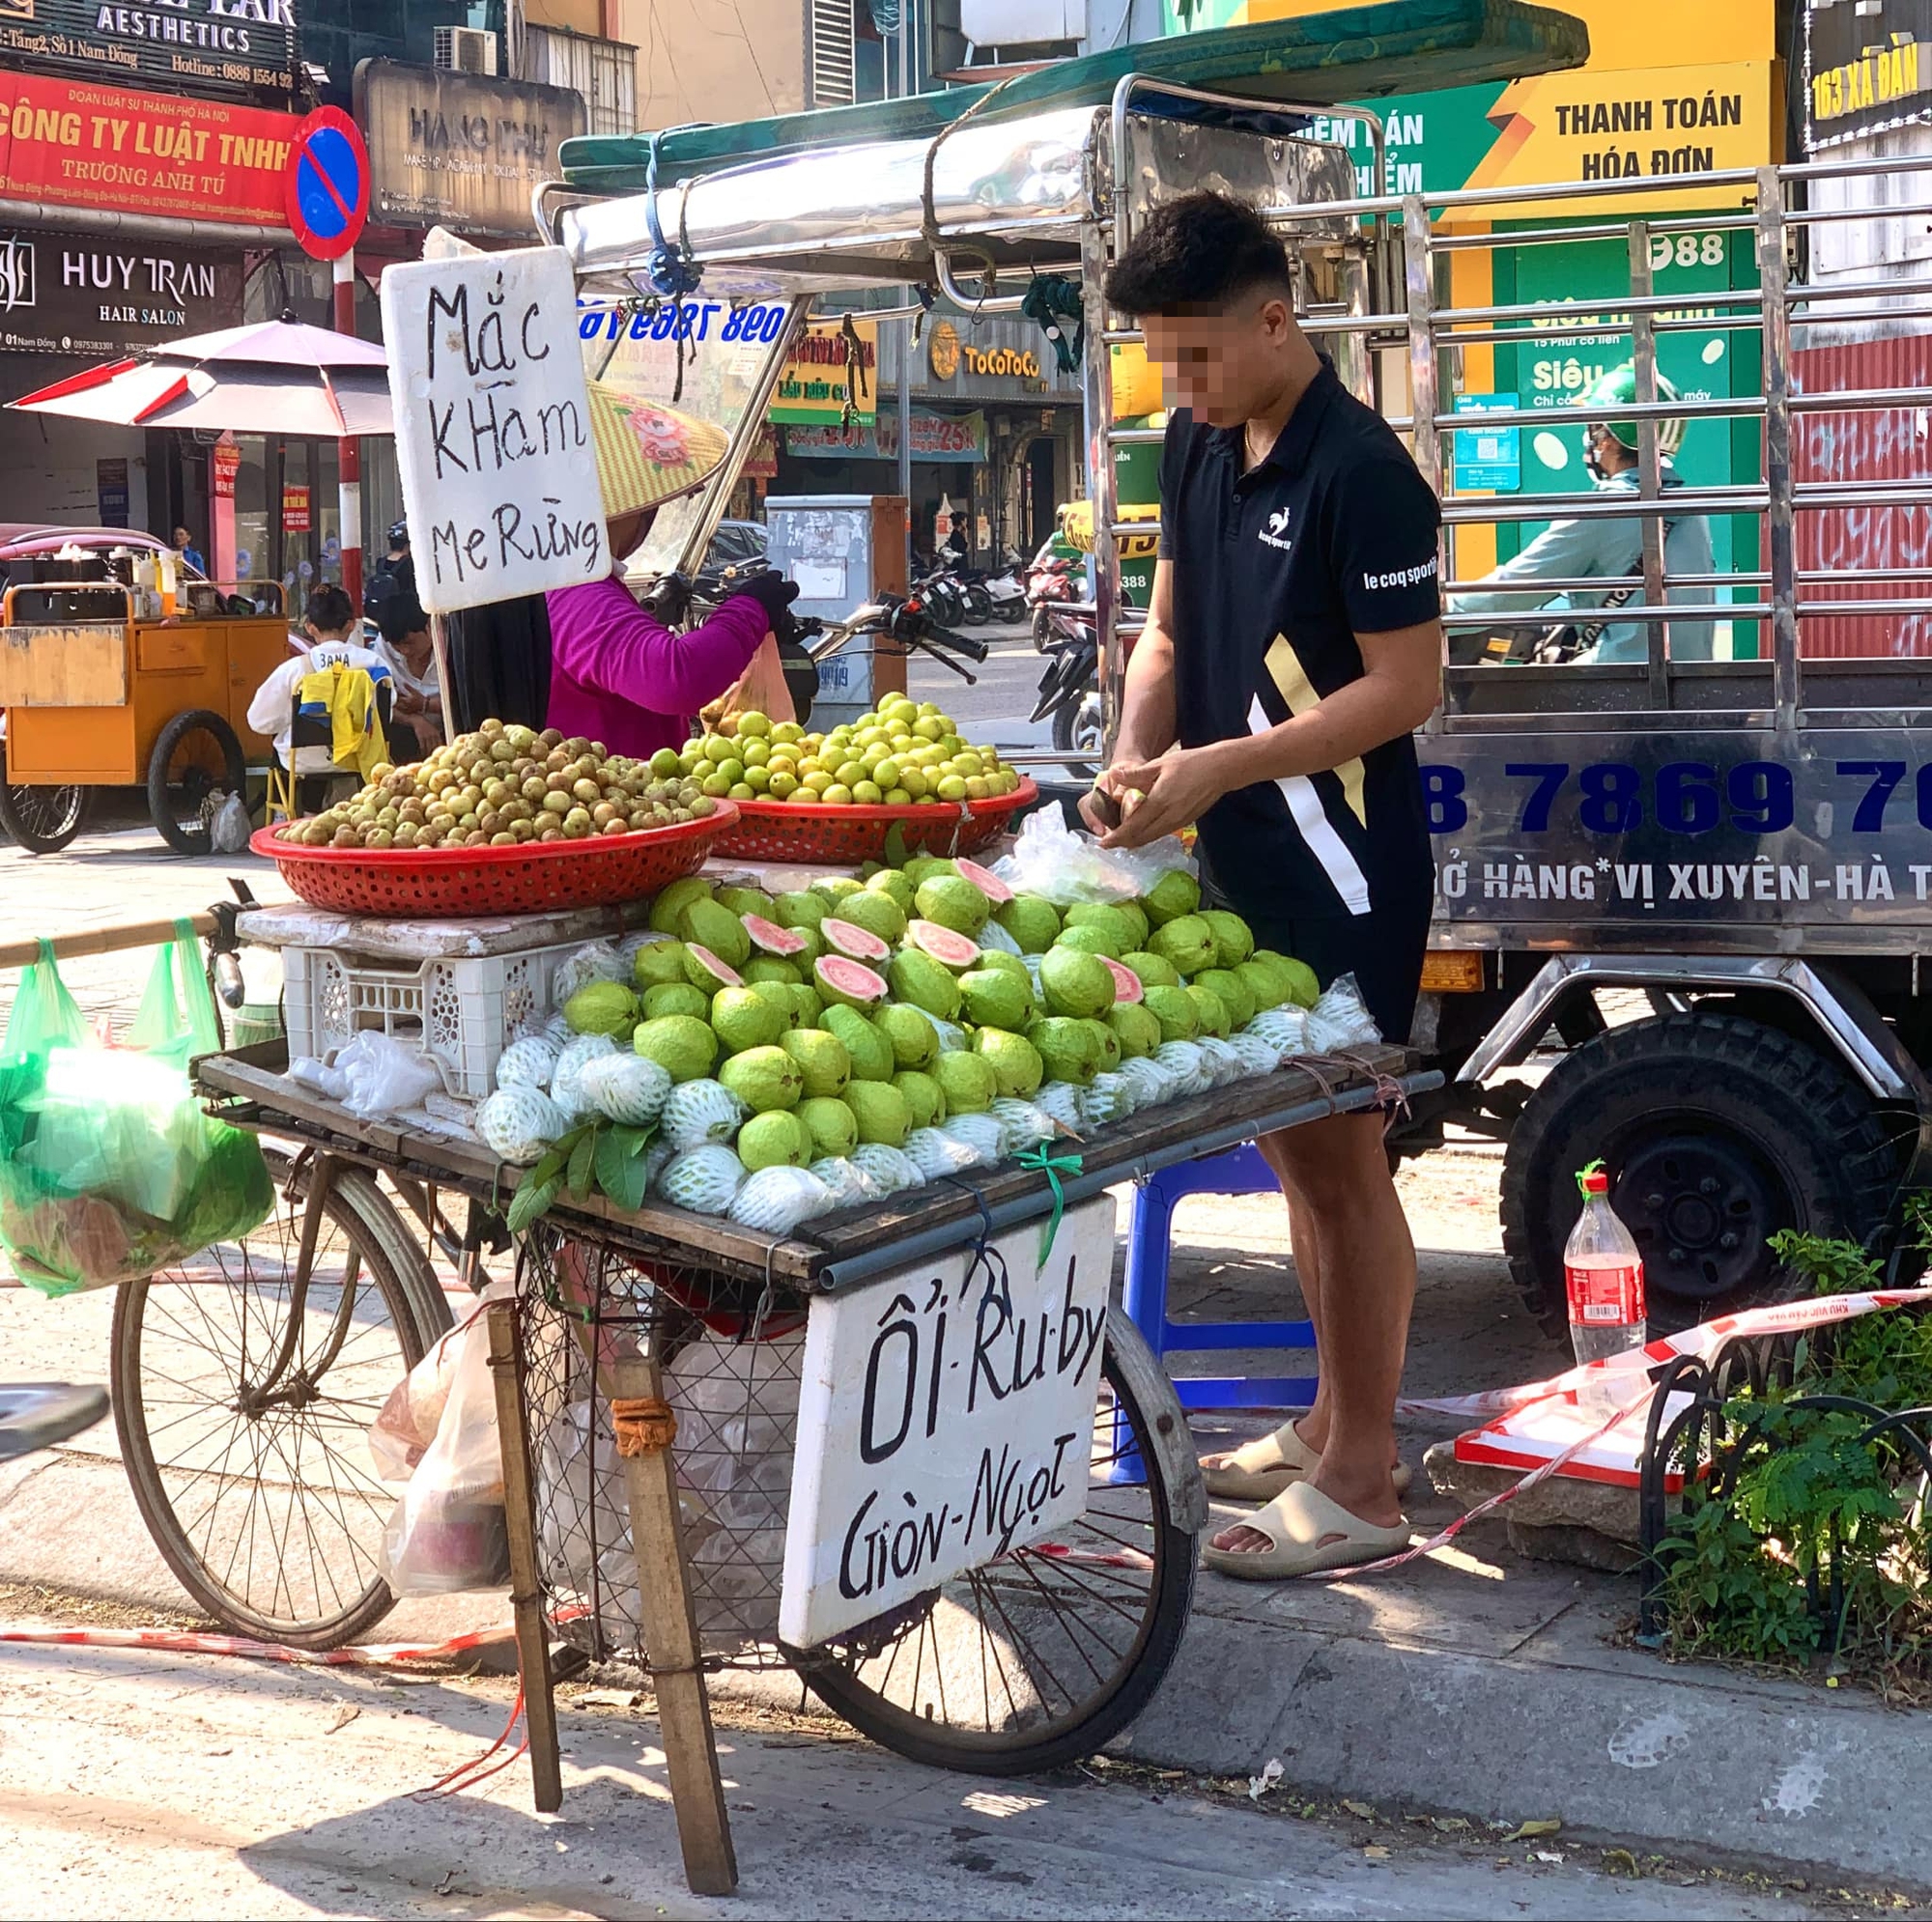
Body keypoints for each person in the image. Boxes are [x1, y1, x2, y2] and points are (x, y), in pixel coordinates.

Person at [1088, 189, 1442, 1580]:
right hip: (1237, 854)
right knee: (1300, 1156)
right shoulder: (1196, 442)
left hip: (1345, 873)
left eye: (1195, 355)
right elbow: (1169, 631)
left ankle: (1365, 1478)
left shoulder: (1363, 472)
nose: (1178, 384)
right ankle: (1326, 1420)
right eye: (1162, 361)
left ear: (1275, 320)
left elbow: (1407, 688)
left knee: (1347, 1170)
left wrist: (1220, 765)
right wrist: (1134, 760)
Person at [544, 384, 797, 757]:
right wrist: (750, 610)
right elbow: (675, 678)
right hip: (605, 805)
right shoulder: (576, 590)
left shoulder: (573, 583)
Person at [1448, 365, 1715, 664]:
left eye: (1592, 428)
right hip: (1693, 686)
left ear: (1607, 439)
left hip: (1618, 691)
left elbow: (1514, 590)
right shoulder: (1691, 508)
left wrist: (1437, 611)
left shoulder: (1603, 510)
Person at [246, 582, 392, 769]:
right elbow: (386, 713)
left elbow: (258, 721)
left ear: (310, 628)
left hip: (303, 762)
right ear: (351, 625)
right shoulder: (373, 663)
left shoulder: (294, 669)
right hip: (361, 758)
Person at [371, 594, 443, 761]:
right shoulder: (383, 647)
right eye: (397, 646)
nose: (405, 651)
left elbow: (470, 700)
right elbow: (375, 700)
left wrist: (426, 705)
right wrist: (414, 720)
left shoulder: (453, 643)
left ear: (429, 627)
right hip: (404, 735)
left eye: (409, 643)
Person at [363, 521, 415, 620]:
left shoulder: (380, 563)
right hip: (401, 618)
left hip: (378, 616)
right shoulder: (409, 564)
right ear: (408, 544)